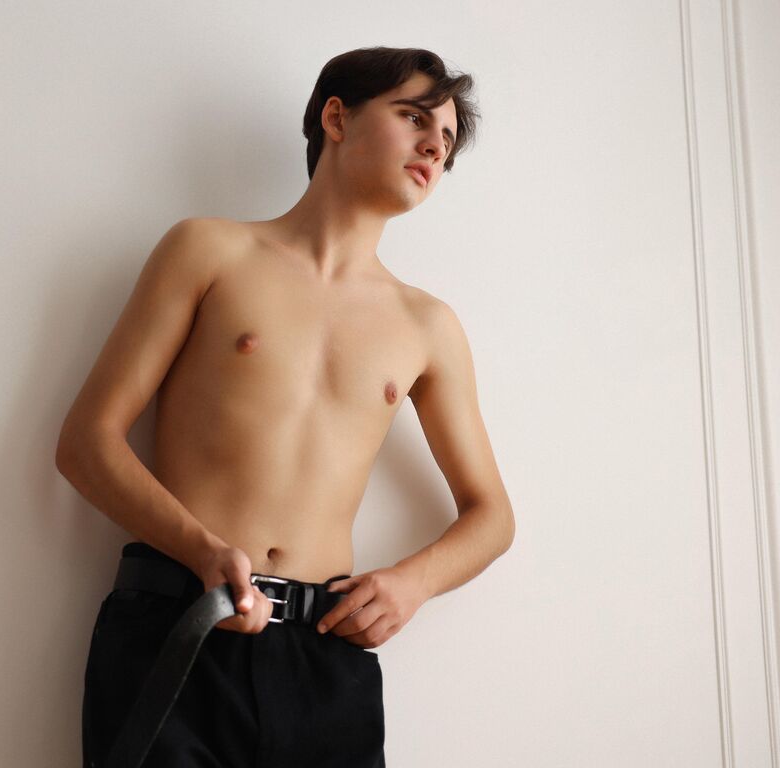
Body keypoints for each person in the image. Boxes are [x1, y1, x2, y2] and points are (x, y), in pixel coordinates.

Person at [56, 45, 516, 768]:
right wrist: (202, 551)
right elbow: (87, 443)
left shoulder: (427, 326)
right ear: (336, 117)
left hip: (325, 656)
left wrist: (412, 583)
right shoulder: (210, 251)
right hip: (182, 623)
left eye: (448, 140)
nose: (436, 145)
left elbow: (492, 515)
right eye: (414, 117)